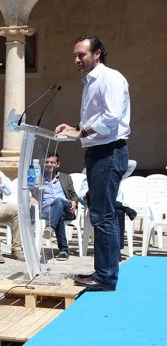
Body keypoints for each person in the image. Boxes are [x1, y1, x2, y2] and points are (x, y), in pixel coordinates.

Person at [55, 35, 130, 291]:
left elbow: (112, 116)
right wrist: (75, 128)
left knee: (104, 214)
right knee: (98, 213)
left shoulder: (110, 78)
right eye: (75, 56)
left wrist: (81, 133)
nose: (77, 60)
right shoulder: (89, 82)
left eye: (82, 55)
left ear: (97, 53)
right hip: (98, 152)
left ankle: (107, 276)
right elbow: (98, 118)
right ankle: (103, 272)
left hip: (109, 152)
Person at [41, 153, 79, 261]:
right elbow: (33, 192)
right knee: (58, 214)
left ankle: (50, 227)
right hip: (47, 208)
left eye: (52, 162)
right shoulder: (40, 178)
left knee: (58, 201)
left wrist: (75, 202)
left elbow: (74, 195)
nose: (49, 165)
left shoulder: (66, 178)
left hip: (67, 207)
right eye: (47, 162)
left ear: (58, 164)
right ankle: (63, 250)